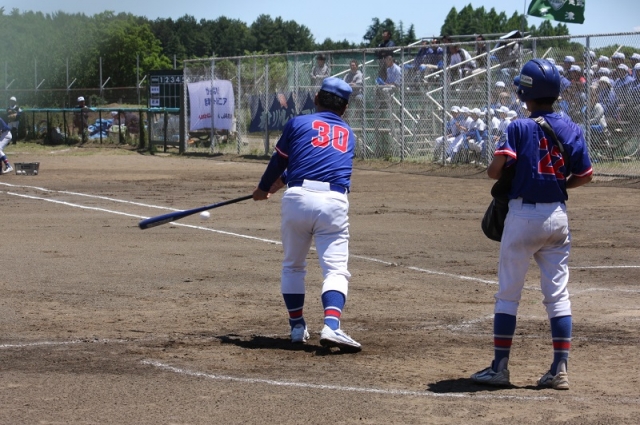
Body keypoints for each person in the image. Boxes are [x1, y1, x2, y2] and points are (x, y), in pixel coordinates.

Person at [470, 58, 593, 390]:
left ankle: (499, 368)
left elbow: (494, 171)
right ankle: (559, 369)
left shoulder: (518, 127)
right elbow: (585, 174)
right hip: (558, 216)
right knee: (557, 295)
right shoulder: (572, 127)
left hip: (523, 216)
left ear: (525, 93)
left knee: (508, 295)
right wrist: (557, 185)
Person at [252, 77, 361, 353]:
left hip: (297, 199)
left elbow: (281, 161)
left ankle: (297, 327)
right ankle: (332, 326)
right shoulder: (349, 134)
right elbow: (320, 162)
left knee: (293, 266)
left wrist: (264, 188)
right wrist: (279, 182)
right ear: (345, 108)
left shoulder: (298, 123)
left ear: (316, 99)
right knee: (335, 269)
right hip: (334, 201)